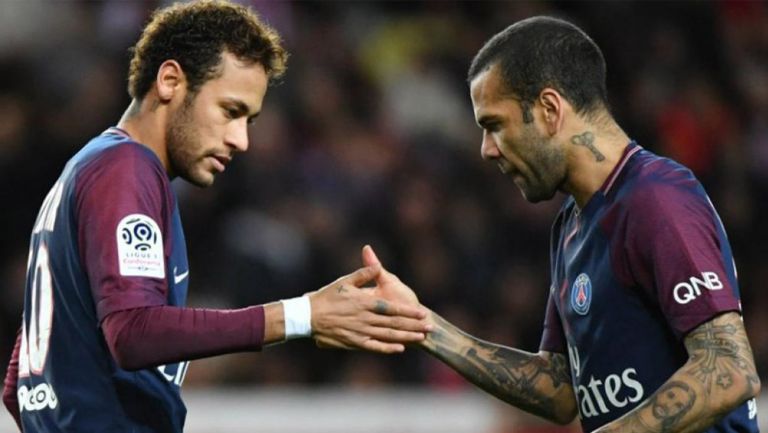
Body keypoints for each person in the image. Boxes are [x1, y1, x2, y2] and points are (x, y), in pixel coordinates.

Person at [1, 1, 431, 431]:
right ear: (170, 81)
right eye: (230, 111)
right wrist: (301, 316)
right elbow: (133, 332)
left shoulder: (88, 169)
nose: (240, 139)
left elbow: (18, 382)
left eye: (250, 119)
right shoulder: (125, 170)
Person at [364, 15, 761, 433]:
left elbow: (728, 372)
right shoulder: (572, 225)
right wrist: (423, 326)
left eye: (495, 125)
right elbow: (560, 391)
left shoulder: (655, 197)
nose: (487, 150)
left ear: (550, 110)